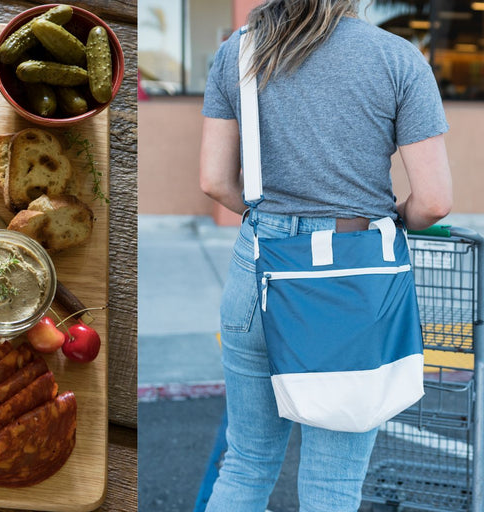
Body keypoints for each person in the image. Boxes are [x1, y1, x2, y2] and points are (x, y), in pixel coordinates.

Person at [198, 0, 452, 510]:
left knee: (246, 464)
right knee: (332, 486)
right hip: (353, 284)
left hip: (261, 272)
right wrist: (388, 218)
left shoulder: (239, 51)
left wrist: (276, 224)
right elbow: (434, 202)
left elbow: (214, 181)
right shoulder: (398, 59)